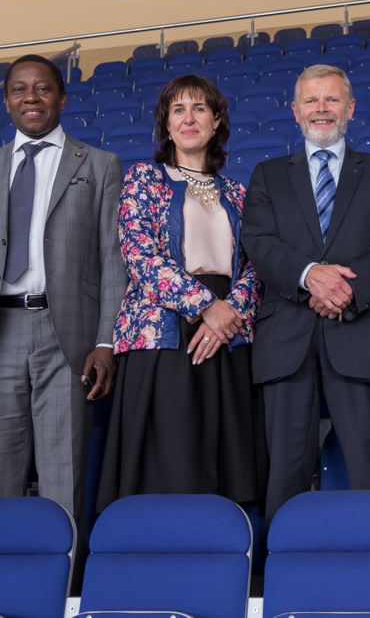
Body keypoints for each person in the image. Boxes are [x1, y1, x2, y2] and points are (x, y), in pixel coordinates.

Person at [0, 54, 127, 544]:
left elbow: (113, 260)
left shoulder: (100, 166)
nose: (31, 97)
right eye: (19, 89)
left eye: (42, 88)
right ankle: (1, 570)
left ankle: (62, 574)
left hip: (68, 336)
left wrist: (106, 340)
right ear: (6, 102)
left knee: (64, 475)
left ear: (61, 98)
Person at [241, 64, 370, 525]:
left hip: (363, 332)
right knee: (284, 475)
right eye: (312, 100)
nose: (322, 109)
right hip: (286, 338)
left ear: (350, 108)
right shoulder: (267, 175)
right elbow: (259, 242)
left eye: (332, 99)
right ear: (295, 111)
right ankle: (284, 564)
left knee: (369, 469)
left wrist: (343, 291)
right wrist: (309, 275)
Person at [97, 75, 266, 508]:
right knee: (170, 463)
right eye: (178, 110)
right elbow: (139, 254)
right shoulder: (143, 179)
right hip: (165, 335)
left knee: (226, 467)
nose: (188, 118)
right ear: (166, 125)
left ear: (216, 121)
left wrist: (229, 312)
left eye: (199, 109)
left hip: (228, 334)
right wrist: (205, 305)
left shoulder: (239, 193)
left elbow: (256, 265)